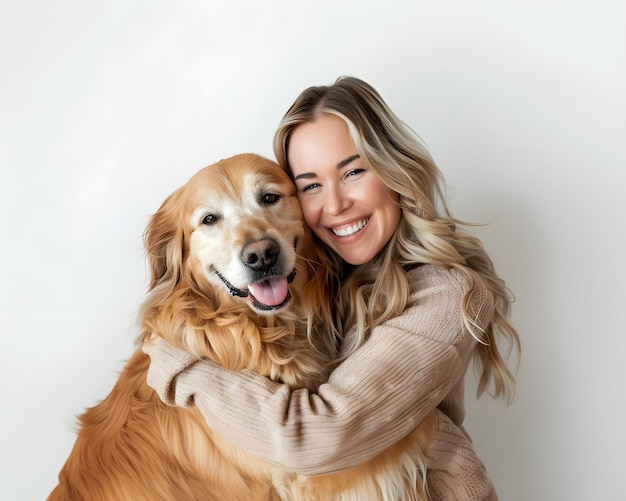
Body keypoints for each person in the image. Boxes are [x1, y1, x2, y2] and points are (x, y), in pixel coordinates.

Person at [143, 76, 520, 499]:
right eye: (310, 186)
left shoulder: (448, 296)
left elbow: (320, 438)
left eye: (354, 172)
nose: (336, 204)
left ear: (394, 169)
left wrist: (181, 365)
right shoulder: (319, 280)